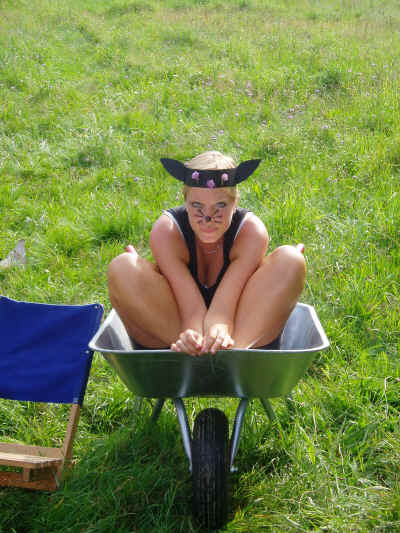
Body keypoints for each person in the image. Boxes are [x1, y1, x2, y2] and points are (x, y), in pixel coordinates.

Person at [107, 151, 306, 356]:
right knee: (123, 266)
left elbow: (223, 311)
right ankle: (195, 350)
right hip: (175, 326)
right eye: (197, 206)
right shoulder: (167, 232)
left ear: (235, 202)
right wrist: (192, 335)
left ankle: (231, 355)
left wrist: (220, 331)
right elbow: (191, 310)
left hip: (239, 326)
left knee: (290, 259)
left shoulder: (251, 233)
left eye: (220, 205)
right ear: (185, 202)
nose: (208, 219)